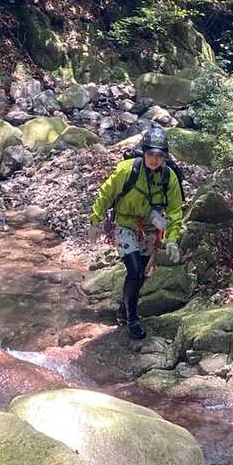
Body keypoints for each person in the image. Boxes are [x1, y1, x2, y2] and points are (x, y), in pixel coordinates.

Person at [89, 125, 184, 339]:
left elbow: (175, 212)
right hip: (126, 224)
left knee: (141, 275)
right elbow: (106, 193)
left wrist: (171, 239)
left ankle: (124, 309)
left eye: (159, 156)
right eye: (151, 154)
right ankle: (132, 318)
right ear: (144, 152)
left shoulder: (169, 178)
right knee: (134, 271)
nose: (154, 160)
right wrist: (95, 220)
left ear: (165, 157)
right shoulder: (127, 170)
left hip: (151, 230)